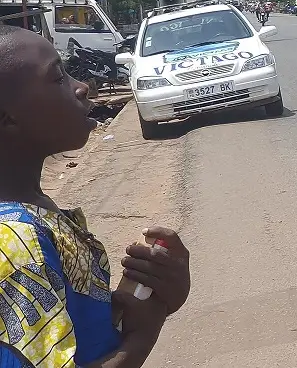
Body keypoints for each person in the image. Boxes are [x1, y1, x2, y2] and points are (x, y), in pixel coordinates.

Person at [0, 27, 191, 367]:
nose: (81, 86)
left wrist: (149, 295)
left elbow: (72, 333)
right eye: (58, 78)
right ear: (8, 118)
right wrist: (143, 336)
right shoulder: (13, 240)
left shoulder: (32, 212)